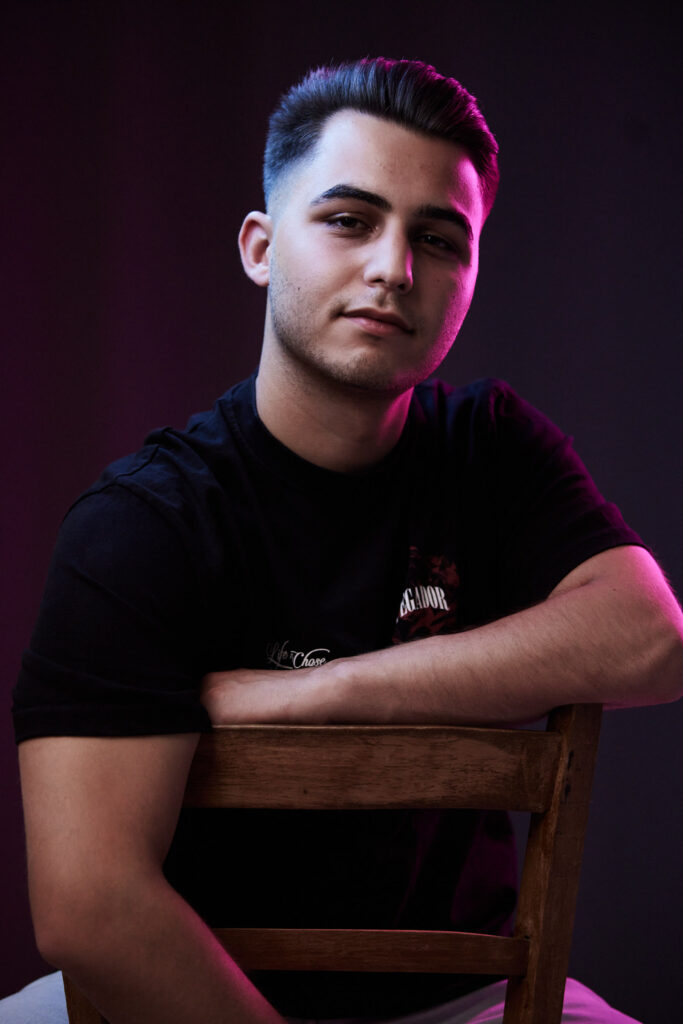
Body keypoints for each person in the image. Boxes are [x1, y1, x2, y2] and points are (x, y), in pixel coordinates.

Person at [7, 58, 682, 1024]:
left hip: (467, 1002)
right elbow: (93, 913)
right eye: (349, 220)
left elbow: (651, 637)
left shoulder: (489, 448)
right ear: (260, 247)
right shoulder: (144, 519)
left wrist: (312, 694)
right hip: (177, 996)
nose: (393, 269)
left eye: (437, 239)